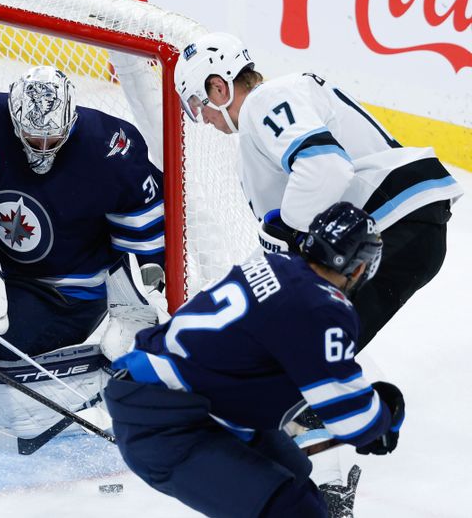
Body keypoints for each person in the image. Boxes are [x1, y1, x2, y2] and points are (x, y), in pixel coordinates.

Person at [104, 202, 406, 518]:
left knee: (295, 473)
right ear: (360, 267)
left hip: (178, 401)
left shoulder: (275, 264)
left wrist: (370, 413)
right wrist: (383, 421)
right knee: (292, 509)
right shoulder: (322, 306)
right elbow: (352, 419)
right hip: (167, 425)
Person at [173, 32, 462, 351]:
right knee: (311, 346)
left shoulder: (265, 101)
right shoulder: (264, 127)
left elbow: (325, 167)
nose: (202, 118)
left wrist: (286, 233)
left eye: (198, 104)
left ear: (219, 87)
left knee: (305, 348)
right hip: (401, 227)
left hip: (392, 222)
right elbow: (285, 237)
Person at [0, 65, 165, 438]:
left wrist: (135, 308)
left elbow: (144, 242)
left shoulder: (112, 147)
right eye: (32, 138)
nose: (42, 148)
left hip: (67, 294)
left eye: (52, 139)